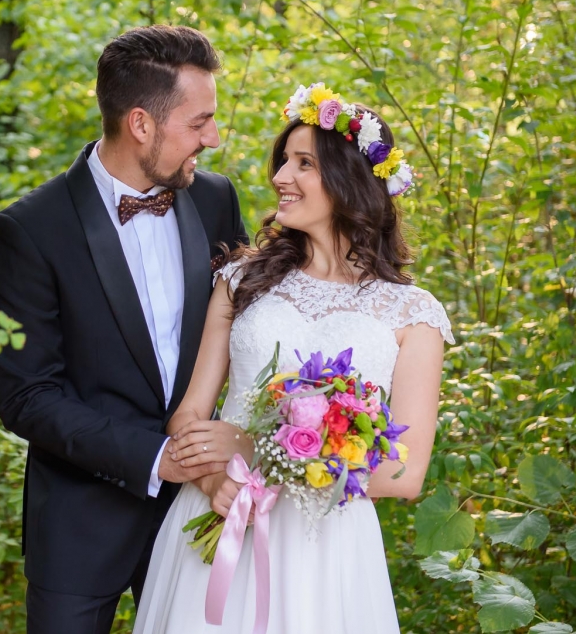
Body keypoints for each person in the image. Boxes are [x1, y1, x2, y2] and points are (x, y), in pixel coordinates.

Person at [132, 84, 454, 634]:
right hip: (222, 512)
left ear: (351, 181)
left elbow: (404, 471)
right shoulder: (240, 281)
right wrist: (215, 480)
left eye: (303, 163)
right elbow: (187, 415)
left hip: (326, 546)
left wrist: (257, 451)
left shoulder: (413, 314)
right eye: (284, 161)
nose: (281, 177)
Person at [0, 25, 248, 633]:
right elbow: (27, 397)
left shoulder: (214, 200)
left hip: (199, 514)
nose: (213, 138)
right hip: (80, 525)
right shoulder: (30, 230)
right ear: (141, 124)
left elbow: (245, 336)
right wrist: (158, 456)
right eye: (199, 122)